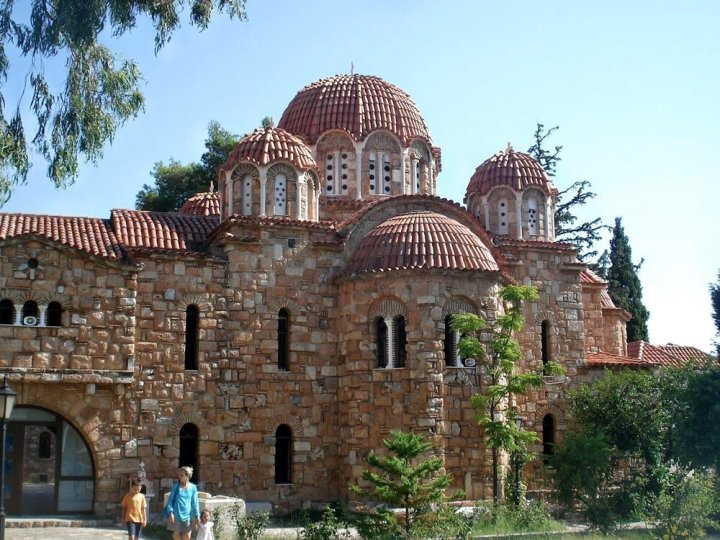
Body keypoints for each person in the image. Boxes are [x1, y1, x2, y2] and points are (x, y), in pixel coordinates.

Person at [163, 466, 200, 540]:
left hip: (187, 516)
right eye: (179, 475)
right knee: (176, 536)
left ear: (188, 476)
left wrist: (197, 516)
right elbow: (170, 500)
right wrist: (170, 513)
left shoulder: (193, 488)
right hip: (176, 515)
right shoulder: (176, 486)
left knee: (187, 536)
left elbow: (194, 503)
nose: (179, 477)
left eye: (182, 475)